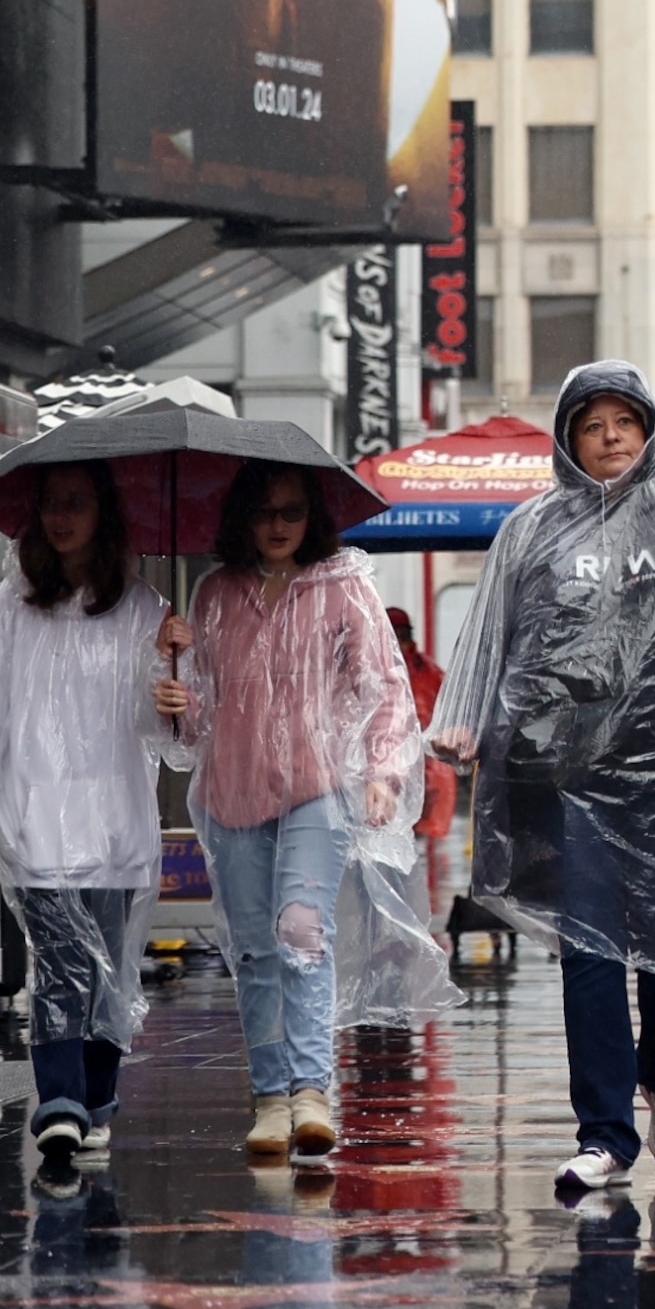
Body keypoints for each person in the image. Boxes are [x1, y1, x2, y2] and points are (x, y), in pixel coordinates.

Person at [428, 364, 655, 1198]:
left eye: (627, 421)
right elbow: (489, 635)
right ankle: (604, 1134)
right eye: (594, 423)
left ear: (650, 431)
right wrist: (462, 716)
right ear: (568, 438)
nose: (612, 436)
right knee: (587, 954)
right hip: (564, 774)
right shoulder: (531, 531)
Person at [153, 462, 422, 1162]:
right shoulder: (212, 594)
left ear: (313, 518)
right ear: (242, 517)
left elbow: (385, 686)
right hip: (231, 792)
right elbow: (197, 727)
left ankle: (311, 1090)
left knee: (301, 929)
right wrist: (177, 691)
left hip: (316, 787)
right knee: (253, 948)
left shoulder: (344, 588)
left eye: (292, 512)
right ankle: (270, 1095)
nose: (278, 525)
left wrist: (384, 773)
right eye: (265, 511)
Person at [0, 462, 169, 1166]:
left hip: (112, 822)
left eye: (75, 503)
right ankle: (62, 1101)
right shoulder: (12, 607)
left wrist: (176, 676)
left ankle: (95, 1097)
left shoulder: (143, 609)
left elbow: (166, 737)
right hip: (35, 816)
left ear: (102, 513)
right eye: (50, 504)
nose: (60, 517)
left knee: (106, 974)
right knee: (58, 965)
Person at [388, 607, 458, 843]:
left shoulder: (427, 672)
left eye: (401, 635)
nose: (399, 642)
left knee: (418, 846)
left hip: (423, 774)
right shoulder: (428, 671)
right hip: (400, 773)